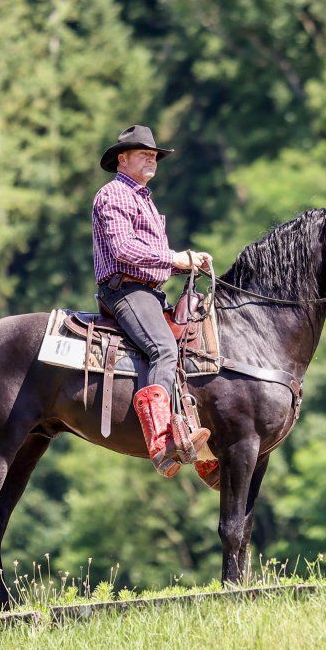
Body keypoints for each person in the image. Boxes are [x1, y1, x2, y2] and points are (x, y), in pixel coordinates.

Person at [92, 125, 211, 478]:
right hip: (124, 291)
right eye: (143, 152)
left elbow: (149, 258)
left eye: (154, 154)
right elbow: (124, 250)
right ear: (121, 159)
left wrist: (184, 263)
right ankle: (160, 443)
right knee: (163, 348)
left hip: (146, 290)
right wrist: (175, 259)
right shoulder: (113, 195)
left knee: (191, 347)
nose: (152, 158)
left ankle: (193, 439)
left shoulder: (143, 197)